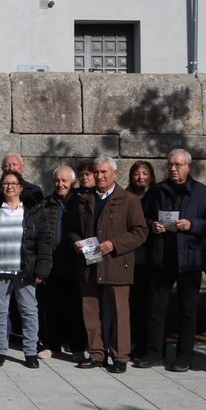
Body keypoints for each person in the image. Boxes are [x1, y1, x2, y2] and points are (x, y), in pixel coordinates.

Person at [135, 150, 206, 373]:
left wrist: (193, 225)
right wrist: (152, 225)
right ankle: (155, 351)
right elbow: (142, 218)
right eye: (170, 165)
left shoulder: (203, 193)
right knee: (155, 308)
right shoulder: (157, 191)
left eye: (178, 165)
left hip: (189, 259)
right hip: (161, 257)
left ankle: (184, 355)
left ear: (189, 167)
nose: (173, 168)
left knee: (188, 310)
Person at [68, 156, 147, 373]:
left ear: (115, 174)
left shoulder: (129, 199)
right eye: (97, 172)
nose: (100, 176)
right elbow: (73, 229)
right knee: (91, 311)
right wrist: (76, 242)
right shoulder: (84, 199)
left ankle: (120, 356)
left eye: (104, 172)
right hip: (89, 263)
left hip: (116, 263)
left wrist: (114, 244)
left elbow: (140, 232)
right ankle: (97, 354)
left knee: (120, 313)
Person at [0, 170, 52, 368]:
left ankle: (31, 352)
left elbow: (44, 241)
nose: (10, 187)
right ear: (1, 186)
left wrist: (42, 269)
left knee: (29, 310)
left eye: (14, 183)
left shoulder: (34, 210)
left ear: (21, 187)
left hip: (25, 269)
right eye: (6, 183)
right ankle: (0, 351)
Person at [39, 165, 86, 360]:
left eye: (64, 181)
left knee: (76, 309)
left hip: (75, 264)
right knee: (51, 309)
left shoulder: (82, 203)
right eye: (57, 180)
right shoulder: (45, 204)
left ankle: (77, 348)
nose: (60, 184)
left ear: (73, 182)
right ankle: (52, 346)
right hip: (52, 264)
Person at [126, 160, 156, 360]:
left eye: (144, 173)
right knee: (134, 304)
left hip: (153, 256)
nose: (140, 177)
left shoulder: (157, 196)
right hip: (132, 257)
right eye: (136, 173)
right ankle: (135, 343)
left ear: (151, 176)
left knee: (151, 305)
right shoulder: (126, 197)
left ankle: (151, 345)